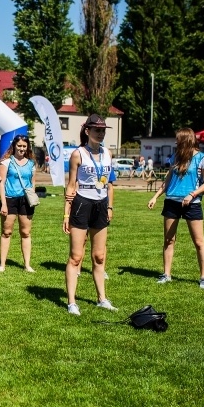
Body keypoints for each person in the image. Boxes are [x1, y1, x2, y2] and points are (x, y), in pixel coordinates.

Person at [62, 114, 118, 316]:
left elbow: (109, 184)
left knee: (99, 256)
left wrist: (110, 207)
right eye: (97, 130)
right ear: (87, 131)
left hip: (101, 205)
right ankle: (71, 302)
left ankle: (102, 299)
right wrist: (66, 215)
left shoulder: (108, 153)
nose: (101, 134)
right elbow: (70, 186)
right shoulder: (78, 154)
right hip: (81, 204)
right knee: (76, 257)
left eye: (103, 130)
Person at [147, 128, 204, 290]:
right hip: (171, 202)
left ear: (186, 140)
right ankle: (166, 275)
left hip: (192, 204)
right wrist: (155, 197)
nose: (176, 143)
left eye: (178, 140)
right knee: (169, 240)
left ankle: (203, 278)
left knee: (199, 242)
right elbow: (168, 180)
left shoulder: (202, 158)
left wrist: (192, 194)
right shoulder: (175, 157)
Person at [0, 134, 36, 273]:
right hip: (9, 199)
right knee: (6, 232)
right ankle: (2, 265)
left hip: (25, 201)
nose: (22, 149)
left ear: (27, 147)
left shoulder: (31, 163)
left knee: (26, 232)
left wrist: (33, 197)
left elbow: (32, 181)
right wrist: (4, 203)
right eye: (19, 146)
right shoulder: (6, 162)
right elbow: (0, 184)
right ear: (14, 146)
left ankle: (27, 265)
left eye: (24, 146)